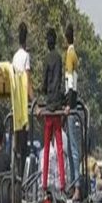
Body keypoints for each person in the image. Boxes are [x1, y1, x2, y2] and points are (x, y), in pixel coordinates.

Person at [39, 27, 66, 192]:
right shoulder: (59, 58)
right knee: (60, 146)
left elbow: (44, 82)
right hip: (58, 104)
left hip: (49, 106)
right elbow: (60, 78)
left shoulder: (47, 58)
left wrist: (44, 91)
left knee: (47, 146)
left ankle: (44, 182)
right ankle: (62, 182)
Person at [64, 23, 82, 185]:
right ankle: (72, 183)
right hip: (73, 102)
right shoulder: (74, 54)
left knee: (73, 150)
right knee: (70, 149)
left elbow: (70, 83)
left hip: (72, 105)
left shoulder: (69, 55)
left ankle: (76, 185)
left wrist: (68, 105)